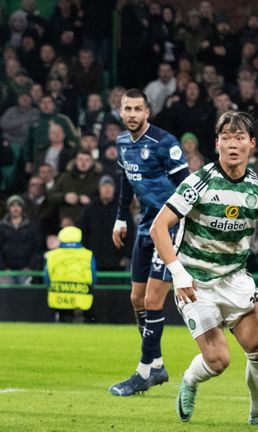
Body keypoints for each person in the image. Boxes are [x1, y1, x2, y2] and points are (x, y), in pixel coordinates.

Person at [150, 111, 258, 428]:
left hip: (234, 279)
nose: (232, 144)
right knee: (219, 361)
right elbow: (159, 227)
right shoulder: (198, 182)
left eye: (239, 138)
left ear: (251, 144)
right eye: (226, 137)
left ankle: (257, 414)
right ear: (216, 144)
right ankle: (189, 379)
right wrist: (177, 271)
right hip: (194, 282)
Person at [109, 88, 190, 396]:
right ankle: (156, 364)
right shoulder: (121, 144)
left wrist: (183, 223)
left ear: (147, 112)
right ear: (121, 112)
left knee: (154, 301)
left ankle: (144, 372)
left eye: (137, 109)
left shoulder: (165, 143)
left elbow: (187, 186)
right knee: (137, 299)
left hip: (169, 227)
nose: (131, 114)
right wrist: (119, 217)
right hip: (144, 225)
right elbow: (126, 181)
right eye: (127, 109)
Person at [44, 226, 96, 320]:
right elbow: (93, 277)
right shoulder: (88, 255)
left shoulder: (52, 255)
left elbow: (47, 276)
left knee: (62, 321)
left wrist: (50, 287)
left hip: (58, 298)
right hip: (82, 297)